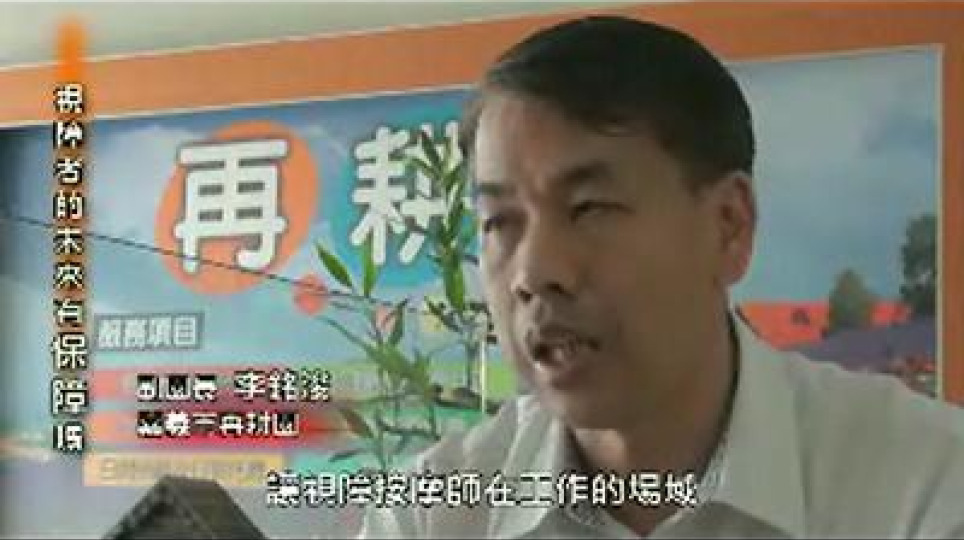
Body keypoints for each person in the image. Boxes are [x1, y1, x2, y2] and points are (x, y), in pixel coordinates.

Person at [359, 15, 964, 538]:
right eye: (500, 221)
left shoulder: (928, 487)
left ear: (728, 226)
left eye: (589, 208)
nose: (536, 272)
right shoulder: (430, 515)